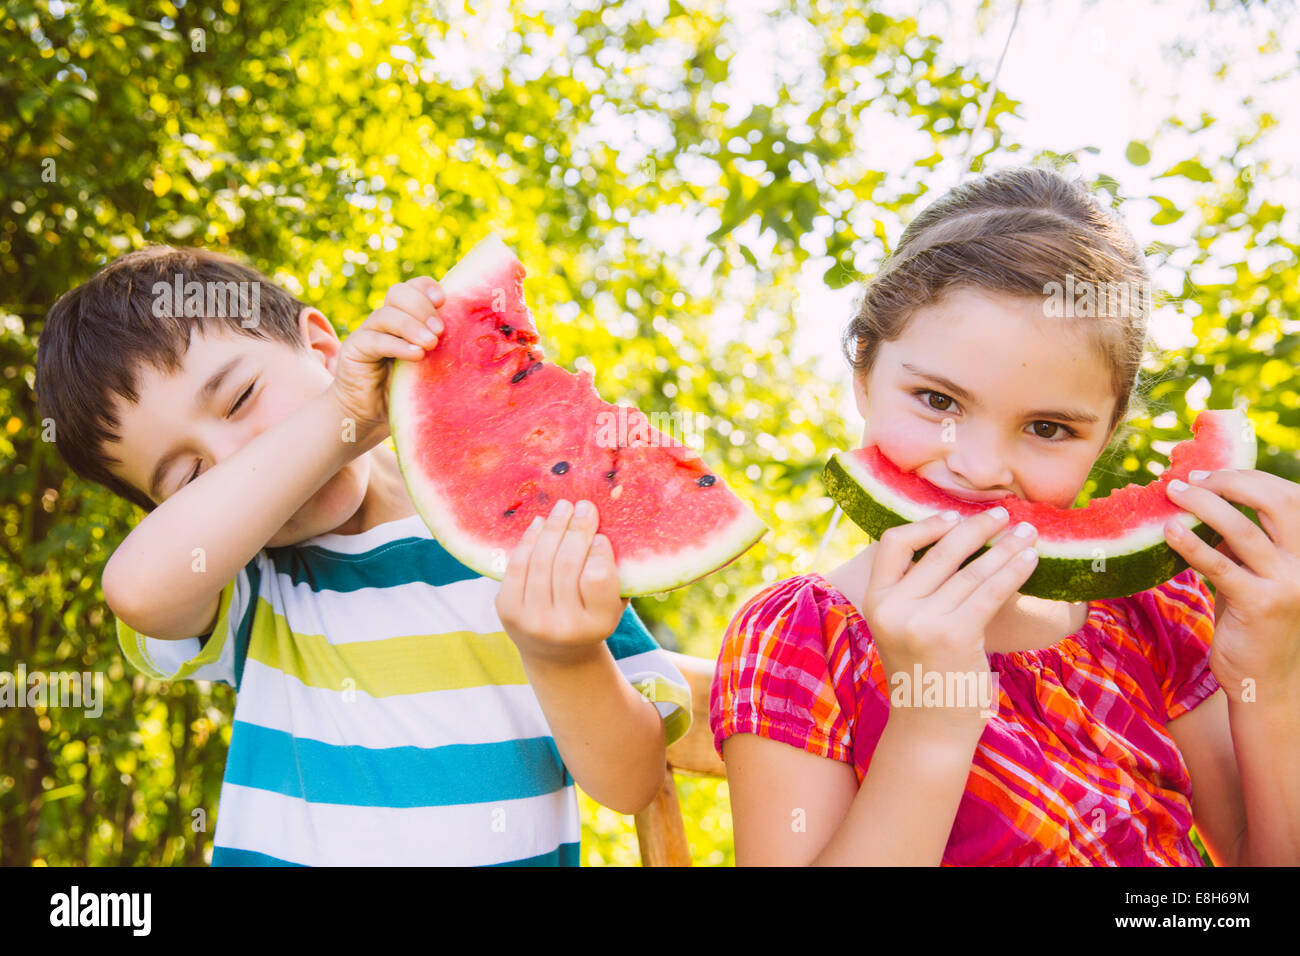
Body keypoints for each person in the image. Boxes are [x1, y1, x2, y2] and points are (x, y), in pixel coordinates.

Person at [710, 165, 1300, 865]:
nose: (981, 467)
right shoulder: (800, 638)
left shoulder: (1156, 611)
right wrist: (935, 721)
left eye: (1048, 428)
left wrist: (1276, 683)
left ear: (1106, 437)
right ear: (863, 374)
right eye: (938, 401)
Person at [36, 246, 690, 865]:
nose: (240, 461)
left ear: (323, 346)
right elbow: (139, 589)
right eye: (190, 478)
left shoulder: (531, 536)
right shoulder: (248, 589)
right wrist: (343, 411)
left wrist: (566, 658)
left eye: (240, 399)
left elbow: (630, 783)